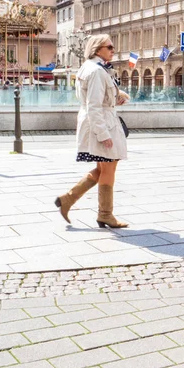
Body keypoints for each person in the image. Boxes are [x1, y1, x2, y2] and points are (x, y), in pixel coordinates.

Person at [55, 34, 130, 228]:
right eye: (110, 47)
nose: (113, 50)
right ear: (97, 49)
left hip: (98, 121)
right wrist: (103, 134)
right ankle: (105, 214)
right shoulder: (97, 71)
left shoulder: (90, 67)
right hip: (102, 123)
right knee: (109, 167)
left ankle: (68, 200)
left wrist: (116, 97)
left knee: (102, 168)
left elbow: (94, 99)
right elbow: (94, 105)